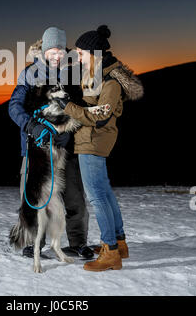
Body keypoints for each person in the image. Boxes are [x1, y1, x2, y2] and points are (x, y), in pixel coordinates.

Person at [53, 25, 144, 271]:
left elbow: (100, 115)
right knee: (104, 192)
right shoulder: (98, 73)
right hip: (91, 138)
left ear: (94, 53)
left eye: (82, 53)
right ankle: (119, 242)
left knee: (97, 196)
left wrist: (68, 106)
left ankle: (110, 251)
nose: (79, 57)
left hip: (93, 141)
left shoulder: (110, 81)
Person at [8, 26, 94, 259]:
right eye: (52, 51)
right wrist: (30, 126)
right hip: (36, 146)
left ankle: (78, 242)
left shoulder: (73, 74)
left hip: (65, 147)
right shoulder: (29, 73)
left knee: (74, 195)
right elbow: (14, 106)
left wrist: (70, 133)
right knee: (35, 195)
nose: (56, 56)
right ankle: (31, 242)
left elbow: (82, 109)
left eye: (60, 51)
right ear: (44, 50)